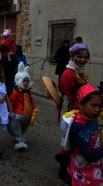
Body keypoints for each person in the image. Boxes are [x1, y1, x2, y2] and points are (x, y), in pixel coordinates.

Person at [54, 42, 90, 185]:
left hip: (78, 107)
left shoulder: (79, 70)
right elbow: (72, 97)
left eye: (85, 57)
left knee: (73, 140)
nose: (82, 59)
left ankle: (65, 160)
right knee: (68, 139)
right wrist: (83, 111)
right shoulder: (69, 73)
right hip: (70, 110)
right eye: (79, 56)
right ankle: (63, 170)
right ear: (72, 56)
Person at [61, 84, 103, 185]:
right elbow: (89, 154)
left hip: (94, 169)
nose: (97, 110)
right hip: (82, 171)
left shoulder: (91, 119)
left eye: (99, 106)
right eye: (93, 105)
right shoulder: (78, 126)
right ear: (81, 104)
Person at [7, 62, 37, 150]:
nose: (26, 83)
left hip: (27, 115)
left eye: (27, 81)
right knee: (15, 126)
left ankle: (18, 137)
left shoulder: (29, 93)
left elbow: (31, 102)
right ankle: (19, 141)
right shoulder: (16, 93)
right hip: (18, 115)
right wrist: (10, 110)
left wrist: (34, 109)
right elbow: (11, 102)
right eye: (24, 81)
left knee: (23, 128)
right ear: (19, 81)